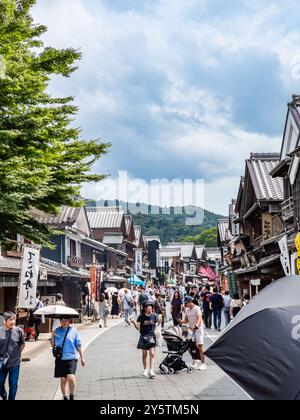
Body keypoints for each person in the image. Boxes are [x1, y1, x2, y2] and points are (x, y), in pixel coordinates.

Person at [51, 317, 85, 400]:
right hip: (60, 359)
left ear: (69, 320)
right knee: (63, 379)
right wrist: (52, 336)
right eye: (62, 320)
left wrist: (82, 357)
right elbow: (53, 345)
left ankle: (72, 396)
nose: (64, 322)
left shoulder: (74, 330)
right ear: (59, 321)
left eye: (66, 320)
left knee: (71, 377)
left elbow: (78, 345)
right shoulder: (57, 331)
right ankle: (65, 397)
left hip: (72, 358)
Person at [0, 312, 25, 400]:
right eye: (10, 320)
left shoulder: (18, 330)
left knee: (13, 385)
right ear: (5, 321)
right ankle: (3, 395)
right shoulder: (1, 331)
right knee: (0, 382)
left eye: (14, 319)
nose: (13, 322)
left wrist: (18, 355)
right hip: (2, 362)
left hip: (15, 362)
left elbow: (22, 344)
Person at [131, 301, 157, 379]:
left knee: (152, 354)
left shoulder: (154, 316)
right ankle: (145, 369)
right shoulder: (141, 317)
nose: (151, 309)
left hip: (152, 336)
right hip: (144, 336)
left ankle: (151, 370)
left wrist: (160, 319)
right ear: (145, 309)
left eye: (151, 307)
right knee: (144, 355)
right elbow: (138, 328)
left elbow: (157, 324)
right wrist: (133, 322)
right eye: (149, 307)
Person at [179, 296, 206, 370]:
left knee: (200, 346)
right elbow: (186, 320)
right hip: (191, 330)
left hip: (198, 329)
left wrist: (196, 326)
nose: (185, 305)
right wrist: (180, 321)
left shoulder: (197, 308)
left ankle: (203, 363)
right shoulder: (187, 310)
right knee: (189, 346)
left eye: (186, 303)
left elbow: (199, 318)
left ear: (190, 302)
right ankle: (195, 360)